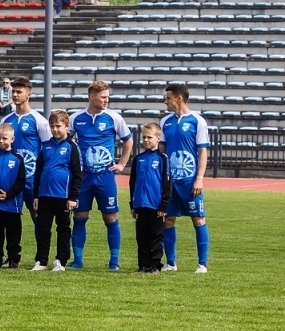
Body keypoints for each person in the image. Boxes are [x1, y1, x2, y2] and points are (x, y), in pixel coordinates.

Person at [69, 80, 132, 270]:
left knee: (110, 218)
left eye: (108, 97)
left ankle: (114, 262)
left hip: (105, 177)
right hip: (84, 178)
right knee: (79, 216)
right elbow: (66, 141)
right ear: (91, 97)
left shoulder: (114, 118)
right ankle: (78, 260)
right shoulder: (76, 118)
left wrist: (121, 164)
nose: (106, 100)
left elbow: (128, 140)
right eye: (103, 97)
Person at [160, 83, 211, 273]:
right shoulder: (166, 122)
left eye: (168, 98)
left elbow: (202, 151)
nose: (165, 102)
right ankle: (171, 263)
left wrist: (199, 178)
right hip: (171, 182)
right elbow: (162, 151)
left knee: (198, 219)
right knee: (168, 220)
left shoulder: (197, 121)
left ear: (178, 98)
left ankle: (202, 264)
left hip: (190, 181)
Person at [31, 110, 81, 272]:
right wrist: (36, 195)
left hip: (63, 196)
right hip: (45, 195)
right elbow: (38, 172)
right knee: (43, 229)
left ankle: (61, 260)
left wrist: (73, 197)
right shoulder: (45, 147)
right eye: (52, 126)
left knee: (63, 228)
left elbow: (77, 174)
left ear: (66, 126)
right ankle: (41, 261)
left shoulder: (72, 147)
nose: (54, 130)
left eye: (58, 126)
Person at [129, 122, 173, 273]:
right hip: (141, 204)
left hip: (156, 205)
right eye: (144, 137)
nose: (146, 140)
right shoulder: (138, 159)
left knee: (156, 237)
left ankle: (155, 266)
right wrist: (132, 205)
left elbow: (167, 183)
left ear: (158, 138)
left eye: (149, 137)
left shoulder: (163, 159)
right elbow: (132, 182)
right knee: (141, 237)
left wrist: (163, 206)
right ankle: (143, 265)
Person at [0, 124, 27, 268]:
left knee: (13, 234)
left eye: (5, 138)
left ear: (12, 139)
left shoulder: (18, 159)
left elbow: (21, 182)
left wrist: (8, 195)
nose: (1, 141)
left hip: (12, 205)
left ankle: (13, 259)